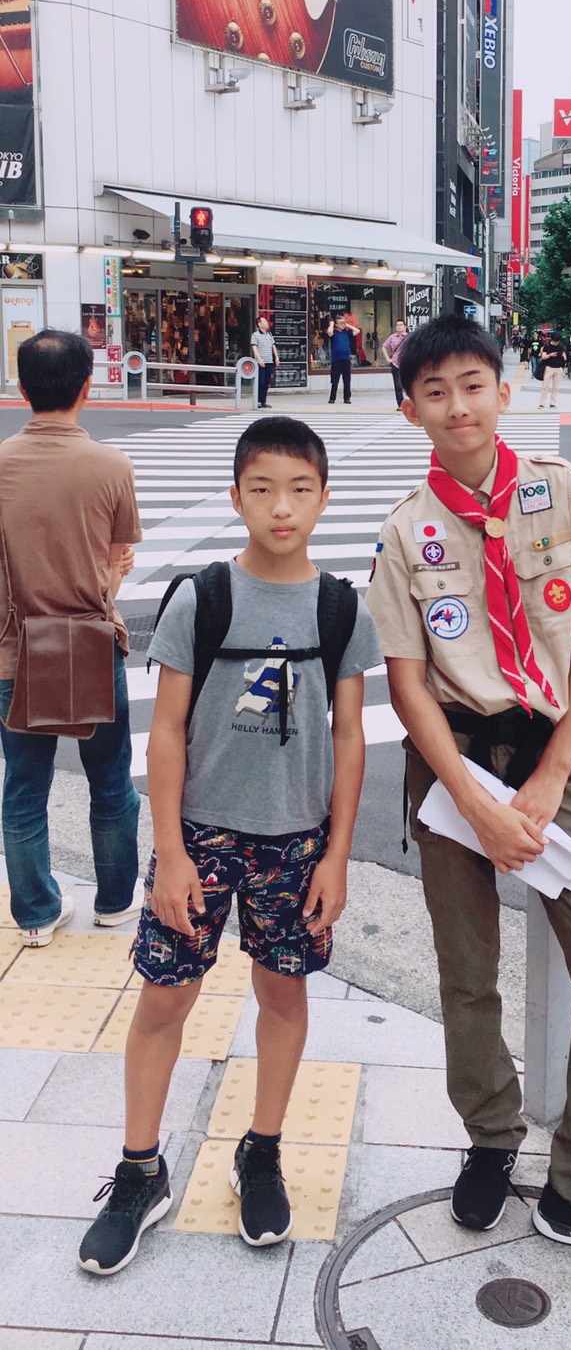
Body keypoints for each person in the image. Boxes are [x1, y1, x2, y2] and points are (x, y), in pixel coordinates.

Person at [366, 317, 571, 1282]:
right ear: (410, 410)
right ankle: (491, 1136)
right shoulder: (405, 530)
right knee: (467, 974)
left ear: (504, 392)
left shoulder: (563, 491)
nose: (457, 406)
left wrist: (551, 774)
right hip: (450, 772)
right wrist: (473, 800)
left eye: (472, 384)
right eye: (434, 391)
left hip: (551, 763)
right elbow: (408, 684)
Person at [77, 415, 383, 1275]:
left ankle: (263, 1149)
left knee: (283, 996)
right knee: (164, 998)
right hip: (203, 838)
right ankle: (141, 1170)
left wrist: (337, 856)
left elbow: (350, 737)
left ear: (324, 498)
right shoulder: (202, 598)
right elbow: (166, 732)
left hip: (298, 844)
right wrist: (171, 852)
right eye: (262, 489)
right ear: (237, 496)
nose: (281, 507)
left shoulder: (339, 609)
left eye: (299, 490)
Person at [0, 330, 141, 946]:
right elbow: (114, 566)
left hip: (13, 651)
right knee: (110, 780)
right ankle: (114, 902)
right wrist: (111, 571)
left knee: (23, 787)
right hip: (90, 647)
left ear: (21, 387)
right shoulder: (112, 466)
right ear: (88, 387)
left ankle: (35, 914)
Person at [326, 314, 360, 404]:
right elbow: (329, 332)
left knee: (347, 380)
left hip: (346, 359)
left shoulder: (347, 333)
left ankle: (347, 398)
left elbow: (357, 331)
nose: (343, 324)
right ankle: (332, 398)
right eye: (341, 323)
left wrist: (347, 325)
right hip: (336, 360)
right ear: (336, 324)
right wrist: (331, 324)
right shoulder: (334, 333)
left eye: (344, 323)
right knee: (335, 380)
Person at [251, 315, 279, 410]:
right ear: (259, 324)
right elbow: (254, 348)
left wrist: (276, 357)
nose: (266, 323)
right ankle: (258, 401)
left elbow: (273, 346)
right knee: (261, 382)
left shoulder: (269, 334)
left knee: (267, 382)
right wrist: (259, 359)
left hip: (269, 361)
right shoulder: (255, 335)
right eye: (264, 321)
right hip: (260, 363)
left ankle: (264, 401)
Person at [381, 317, 409, 410]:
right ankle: (400, 404)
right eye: (397, 325)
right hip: (396, 364)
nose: (399, 327)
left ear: (405, 326)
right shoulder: (392, 337)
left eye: (401, 325)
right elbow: (384, 346)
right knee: (397, 385)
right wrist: (388, 359)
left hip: (406, 363)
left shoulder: (409, 337)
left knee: (409, 384)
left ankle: (413, 403)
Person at [537, 332, 566, 410]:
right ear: (552, 340)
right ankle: (542, 403)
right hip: (549, 368)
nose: (557, 342)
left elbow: (563, 357)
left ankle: (552, 403)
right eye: (555, 341)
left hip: (558, 368)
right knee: (545, 386)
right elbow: (543, 357)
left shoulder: (561, 347)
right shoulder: (547, 347)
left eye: (558, 341)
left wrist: (564, 358)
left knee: (556, 387)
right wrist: (550, 355)